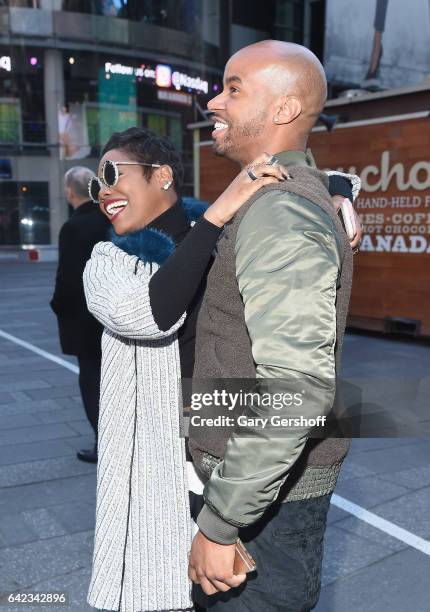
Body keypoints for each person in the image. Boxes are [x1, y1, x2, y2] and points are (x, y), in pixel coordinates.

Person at [83, 126, 359, 611]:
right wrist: (213, 216)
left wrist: (337, 193)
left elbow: (297, 175)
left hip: (226, 459)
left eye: (111, 174)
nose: (103, 192)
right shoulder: (108, 261)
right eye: (95, 185)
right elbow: (150, 314)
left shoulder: (217, 234)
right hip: (156, 466)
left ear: (162, 175)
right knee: (160, 587)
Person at [187, 40, 357, 611]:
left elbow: (297, 389)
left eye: (234, 88)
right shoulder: (281, 194)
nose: (215, 101)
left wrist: (220, 523)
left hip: (263, 510)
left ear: (284, 109)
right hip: (259, 490)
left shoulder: (279, 211)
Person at [50, 166, 109, 464]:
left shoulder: (73, 227)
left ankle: (103, 444)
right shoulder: (109, 218)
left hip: (85, 320)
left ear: (70, 191)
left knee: (91, 381)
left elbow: (68, 279)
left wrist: (57, 305)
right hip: (112, 316)